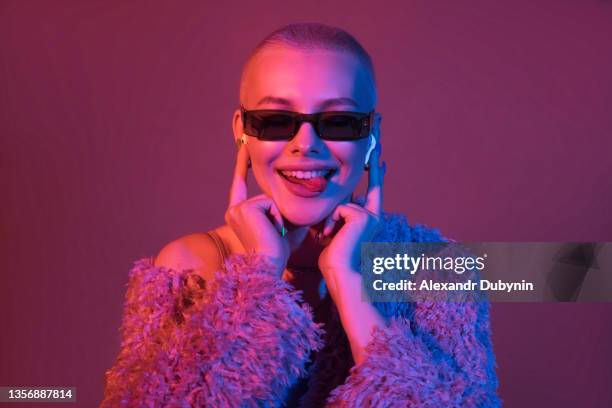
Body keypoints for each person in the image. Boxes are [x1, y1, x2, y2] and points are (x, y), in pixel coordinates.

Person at [101, 23, 500, 407]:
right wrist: (260, 272)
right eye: (276, 121)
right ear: (242, 131)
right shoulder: (189, 267)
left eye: (338, 122)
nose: (305, 144)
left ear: (371, 134)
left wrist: (348, 282)